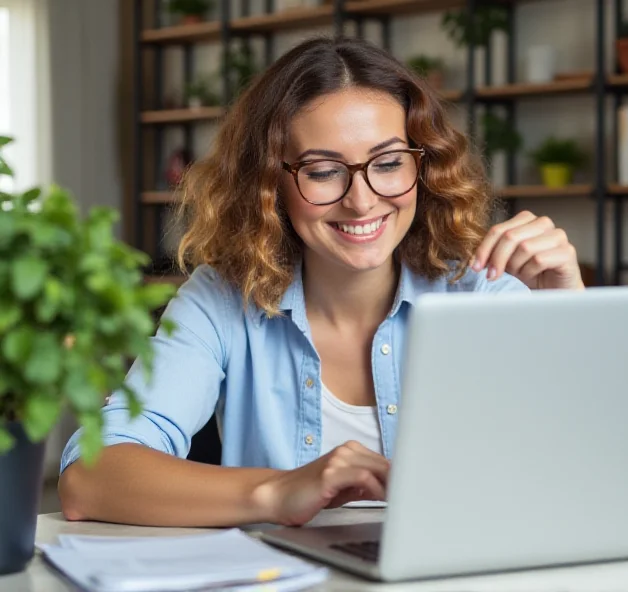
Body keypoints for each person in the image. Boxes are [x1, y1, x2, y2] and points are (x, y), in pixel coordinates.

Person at [58, 36, 584, 528]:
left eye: (388, 162)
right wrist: (277, 491)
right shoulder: (221, 300)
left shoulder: (483, 290)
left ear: (420, 168)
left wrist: (570, 315)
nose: (362, 199)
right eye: (323, 170)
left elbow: (594, 466)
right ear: (270, 184)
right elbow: (89, 477)